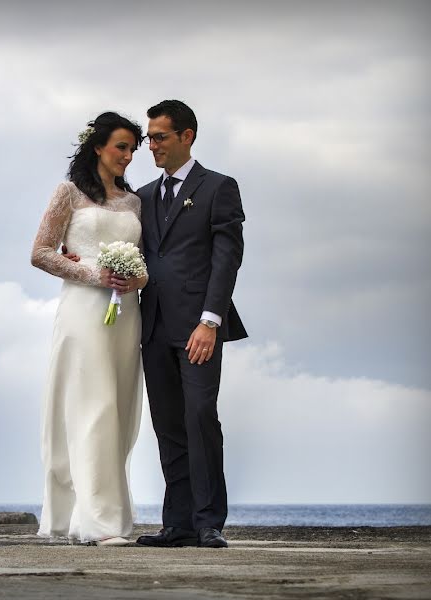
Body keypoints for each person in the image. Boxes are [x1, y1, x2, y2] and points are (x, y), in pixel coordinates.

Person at [134, 100, 247, 549]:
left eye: (159, 137)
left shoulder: (219, 187)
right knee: (167, 424)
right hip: (152, 326)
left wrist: (210, 320)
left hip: (199, 327)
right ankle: (176, 523)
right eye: (149, 138)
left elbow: (227, 258)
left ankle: (208, 522)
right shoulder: (141, 196)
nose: (152, 146)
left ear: (187, 136)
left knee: (200, 417)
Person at [31, 112, 147, 545]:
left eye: (133, 149)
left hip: (125, 315)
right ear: (98, 146)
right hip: (83, 310)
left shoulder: (135, 203)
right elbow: (41, 252)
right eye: (122, 146)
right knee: (91, 405)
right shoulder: (69, 193)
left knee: (117, 408)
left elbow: (146, 265)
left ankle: (103, 510)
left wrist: (137, 279)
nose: (129, 155)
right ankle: (99, 523)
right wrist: (96, 275)